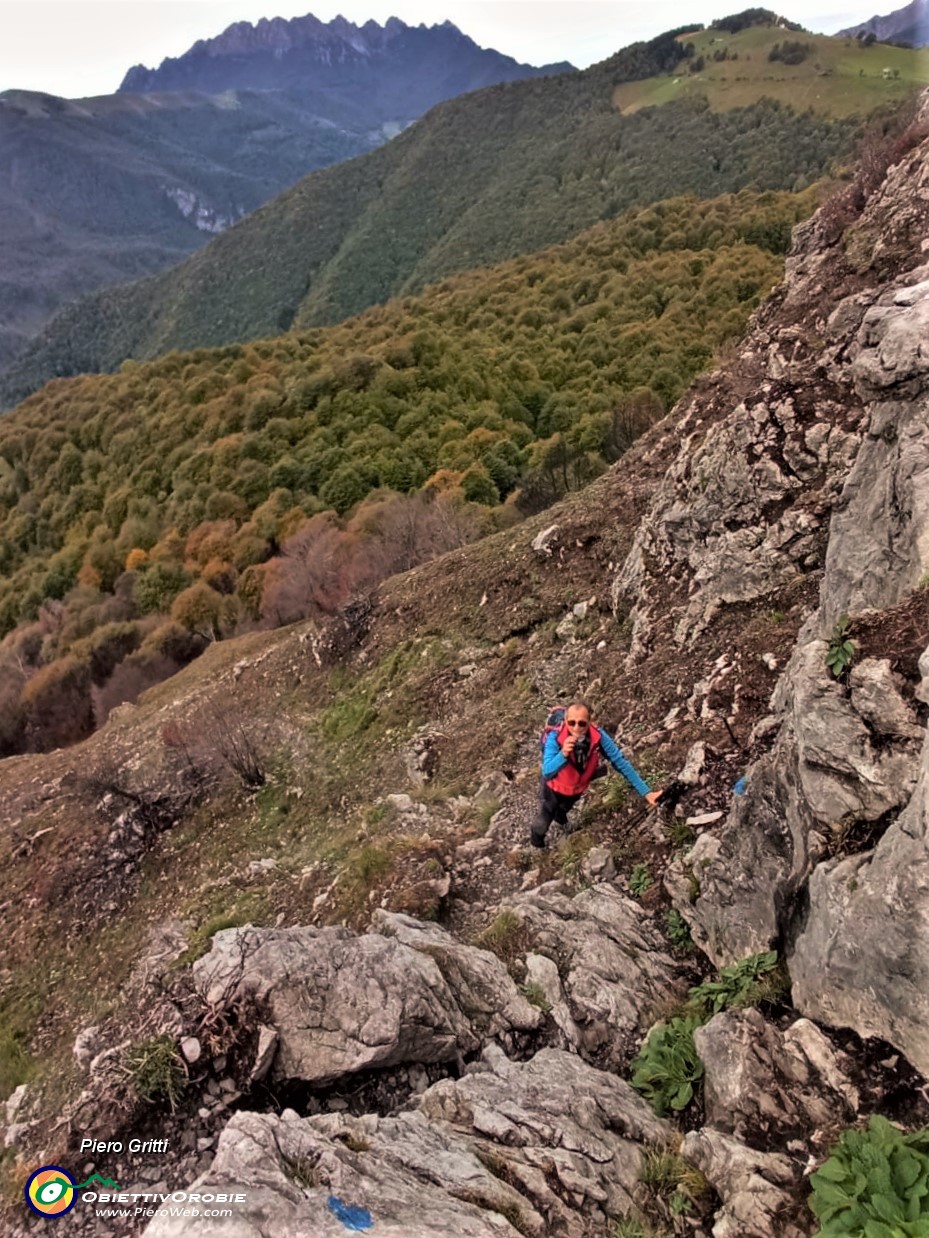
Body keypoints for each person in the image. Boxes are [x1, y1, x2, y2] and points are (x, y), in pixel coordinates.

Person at [530, 699, 661, 848]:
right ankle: (537, 845)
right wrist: (563, 754)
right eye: (572, 723)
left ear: (590, 722)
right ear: (565, 721)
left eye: (582, 723)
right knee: (542, 822)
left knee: (564, 808)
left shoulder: (598, 737)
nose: (577, 728)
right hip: (552, 787)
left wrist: (647, 793)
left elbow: (620, 762)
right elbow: (547, 770)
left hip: (576, 788)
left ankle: (561, 820)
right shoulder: (555, 737)